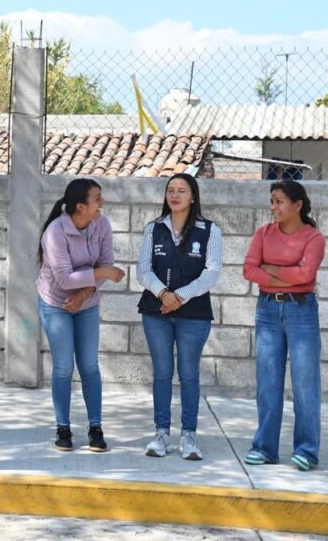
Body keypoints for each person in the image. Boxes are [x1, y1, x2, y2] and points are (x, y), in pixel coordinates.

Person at [137, 173, 222, 461]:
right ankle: (161, 433)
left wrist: (180, 296)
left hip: (194, 315)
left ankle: (189, 435)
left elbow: (212, 272)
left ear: (193, 196)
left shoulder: (210, 230)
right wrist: (164, 294)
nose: (175, 195)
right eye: (170, 190)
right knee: (162, 373)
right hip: (156, 312)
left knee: (188, 374)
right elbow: (143, 270)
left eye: (181, 191)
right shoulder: (153, 229)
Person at [242, 180, 326, 471]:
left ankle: (307, 451)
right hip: (266, 310)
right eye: (272, 201)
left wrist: (271, 270)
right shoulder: (263, 233)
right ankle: (264, 448)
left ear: (297, 205)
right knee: (268, 381)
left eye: (279, 201)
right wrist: (287, 276)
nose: (273, 207)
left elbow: (307, 275)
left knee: (305, 383)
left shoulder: (313, 238)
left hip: (301, 311)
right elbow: (249, 270)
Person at [37, 178, 124, 453]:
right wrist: (102, 273)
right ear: (81, 207)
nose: (102, 203)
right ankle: (63, 427)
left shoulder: (102, 224)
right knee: (64, 367)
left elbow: (106, 262)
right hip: (55, 304)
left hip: (87, 302)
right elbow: (64, 278)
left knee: (89, 365)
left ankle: (95, 427)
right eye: (97, 198)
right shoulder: (55, 232)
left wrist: (85, 294)